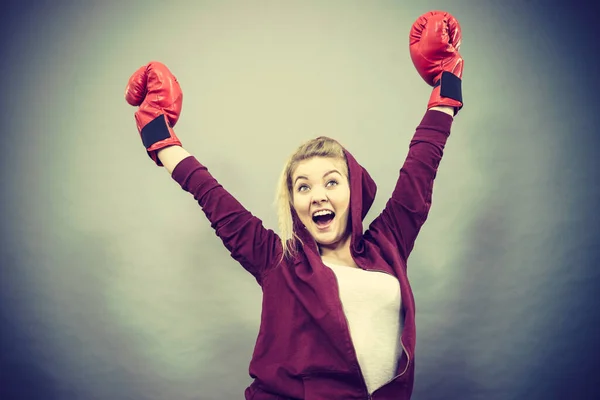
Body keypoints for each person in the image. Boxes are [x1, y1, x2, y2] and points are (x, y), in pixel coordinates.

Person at [125, 10, 464, 400]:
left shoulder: (388, 244)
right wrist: (160, 136)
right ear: (293, 202)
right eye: (303, 187)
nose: (317, 194)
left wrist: (446, 82)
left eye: (331, 182)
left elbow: (419, 171)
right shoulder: (277, 261)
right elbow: (211, 195)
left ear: (354, 191)